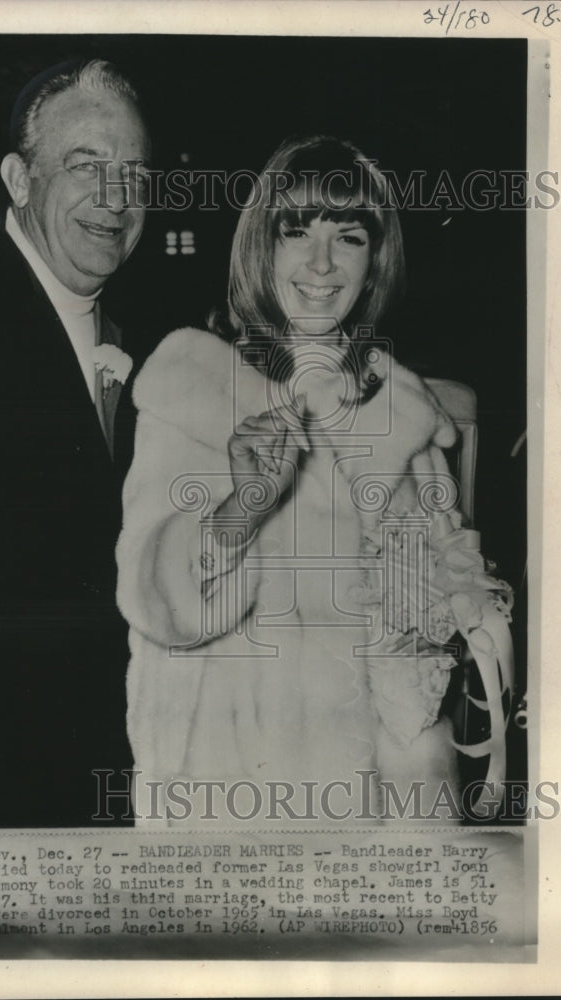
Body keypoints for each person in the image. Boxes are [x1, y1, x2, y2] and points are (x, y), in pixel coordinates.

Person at [116, 135, 514, 825]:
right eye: (295, 230)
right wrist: (243, 506)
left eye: (349, 236)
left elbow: (422, 636)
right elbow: (154, 600)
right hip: (239, 795)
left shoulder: (403, 410)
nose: (321, 263)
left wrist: (448, 599)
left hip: (389, 807)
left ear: (375, 259)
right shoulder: (196, 382)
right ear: (259, 247)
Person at [0, 57, 150, 828]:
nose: (116, 199)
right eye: (87, 167)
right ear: (19, 180)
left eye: (133, 173)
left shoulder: (153, 345)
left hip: (112, 781)